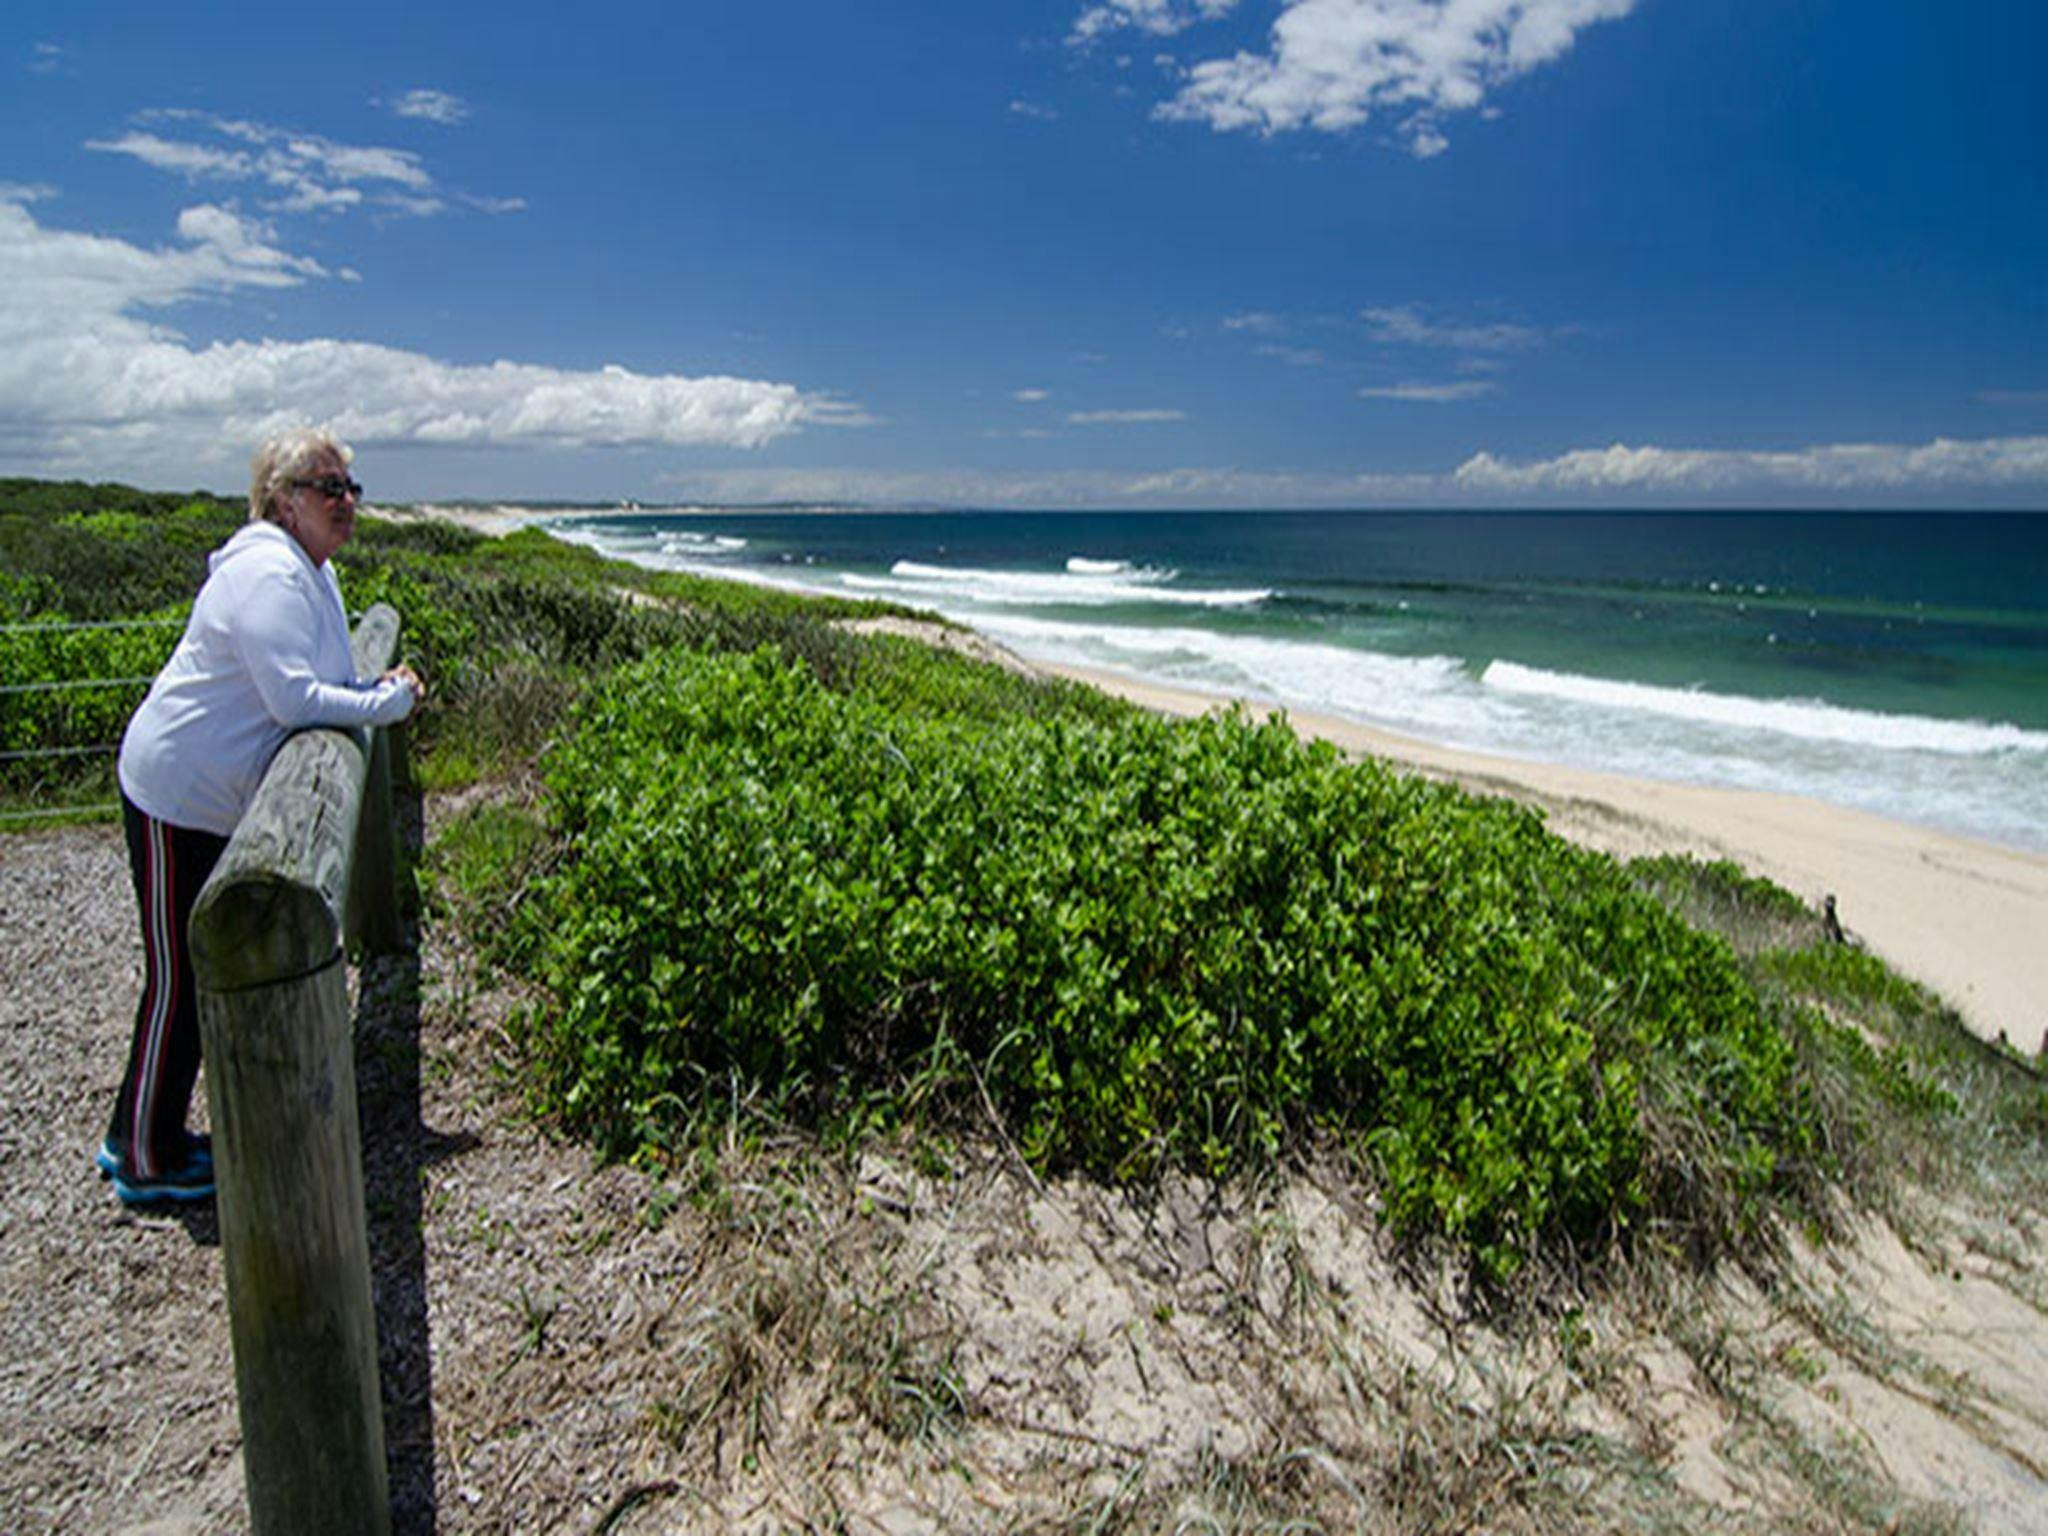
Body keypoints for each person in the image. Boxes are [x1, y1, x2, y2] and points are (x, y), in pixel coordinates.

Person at [99, 428, 425, 1206]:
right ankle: (140, 1150)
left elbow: (330, 672)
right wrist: (390, 702)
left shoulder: (313, 572)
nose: (347, 501)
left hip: (210, 795)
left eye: (353, 487)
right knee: (178, 978)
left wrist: (372, 682)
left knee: (192, 971)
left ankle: (161, 1134)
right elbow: (292, 696)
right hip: (174, 793)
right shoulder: (268, 576)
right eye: (329, 488)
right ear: (285, 501)